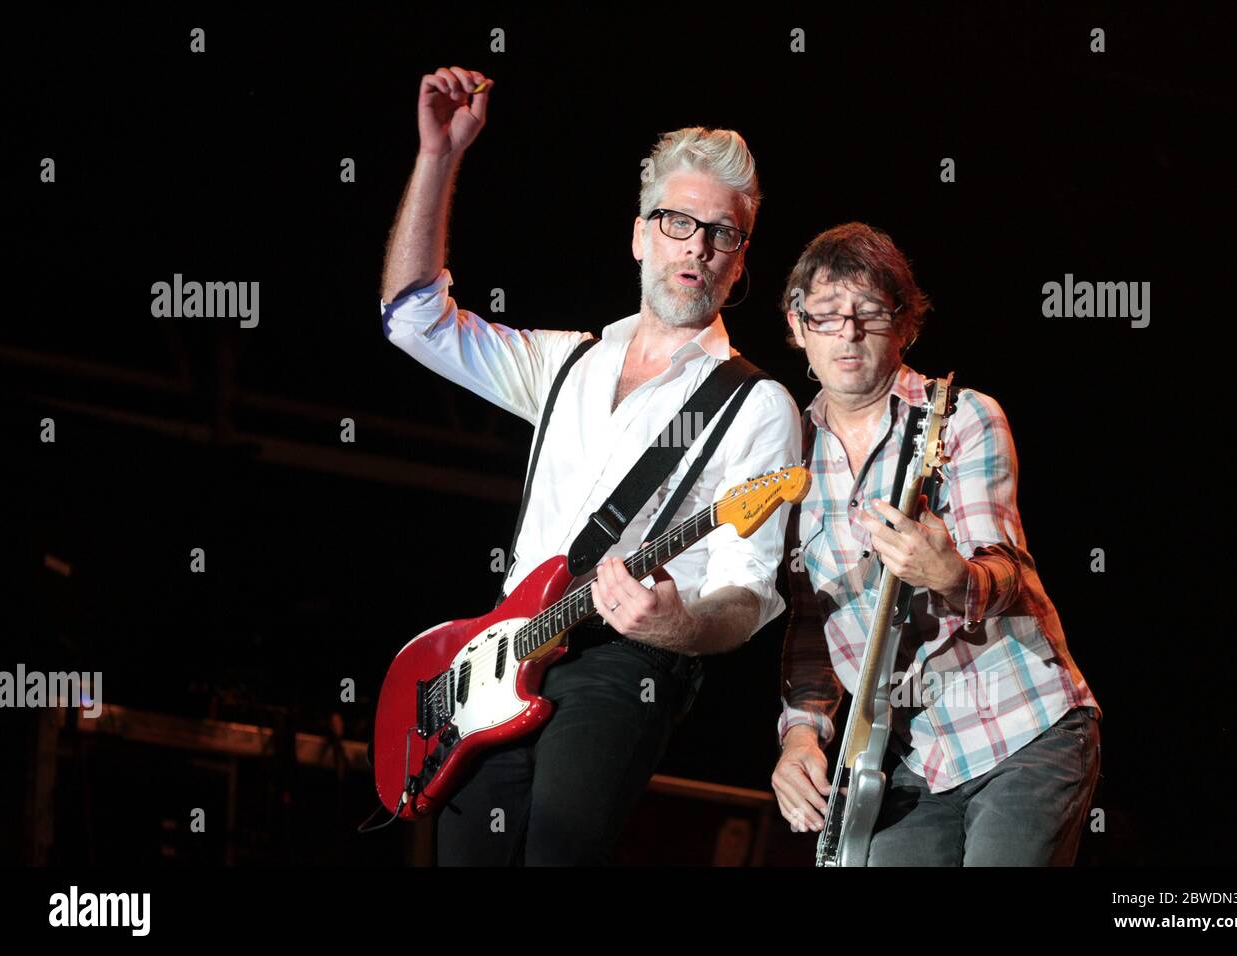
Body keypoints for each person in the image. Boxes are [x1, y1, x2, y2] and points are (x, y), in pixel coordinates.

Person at [379, 66, 802, 864]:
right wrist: (439, 155)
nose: (699, 248)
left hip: (626, 662)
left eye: (724, 235)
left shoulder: (758, 405)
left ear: (740, 264)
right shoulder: (567, 364)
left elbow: (748, 592)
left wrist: (680, 623)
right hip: (502, 651)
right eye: (678, 223)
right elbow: (412, 319)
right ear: (640, 234)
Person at [770, 222, 1101, 866]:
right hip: (905, 761)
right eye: (827, 314)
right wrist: (801, 736)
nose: (848, 332)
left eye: (869, 312)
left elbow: (1009, 572)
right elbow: (811, 628)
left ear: (905, 326)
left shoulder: (963, 418)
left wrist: (954, 578)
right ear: (798, 325)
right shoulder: (787, 460)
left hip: (1021, 726)